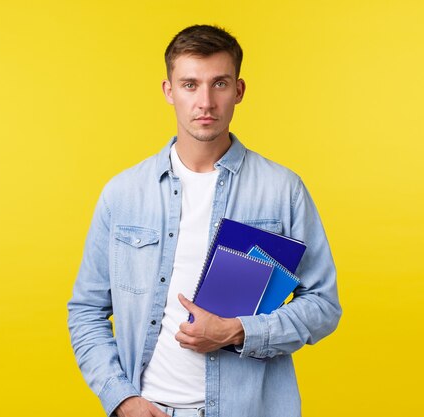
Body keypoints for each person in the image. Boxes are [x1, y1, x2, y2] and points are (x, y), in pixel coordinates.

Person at [68, 25, 342, 417]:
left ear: (239, 91)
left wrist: (239, 331)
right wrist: (122, 398)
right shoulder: (123, 193)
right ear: (168, 91)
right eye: (190, 84)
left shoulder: (283, 190)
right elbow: (86, 310)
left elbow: (323, 304)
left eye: (220, 83)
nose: (205, 102)